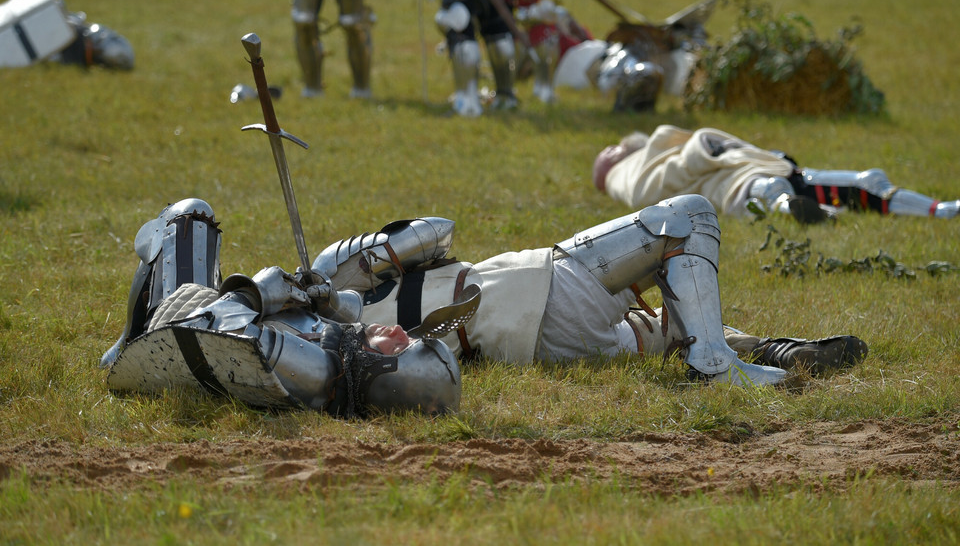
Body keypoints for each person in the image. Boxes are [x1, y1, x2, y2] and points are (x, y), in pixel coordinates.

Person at [101, 195, 867, 417]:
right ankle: (716, 362)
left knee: (657, 319)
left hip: (546, 344)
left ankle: (769, 348)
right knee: (687, 218)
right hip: (540, 289)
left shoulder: (325, 326)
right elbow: (434, 228)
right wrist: (365, 261)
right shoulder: (341, 286)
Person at [100, 199, 461, 418]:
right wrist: (323, 299)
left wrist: (258, 291)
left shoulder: (319, 371)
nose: (399, 331)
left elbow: (220, 330)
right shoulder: (339, 372)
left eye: (402, 346)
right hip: (196, 320)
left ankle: (126, 340)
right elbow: (335, 320)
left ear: (385, 376)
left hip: (169, 327)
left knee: (189, 216)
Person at [593, 125, 960, 222]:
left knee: (869, 181)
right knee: (769, 188)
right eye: (606, 156)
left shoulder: (659, 147)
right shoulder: (626, 173)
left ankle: (942, 209)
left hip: (757, 165)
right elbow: (643, 190)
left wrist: (711, 150)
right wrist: (698, 152)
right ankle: (797, 210)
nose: (609, 151)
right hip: (735, 183)